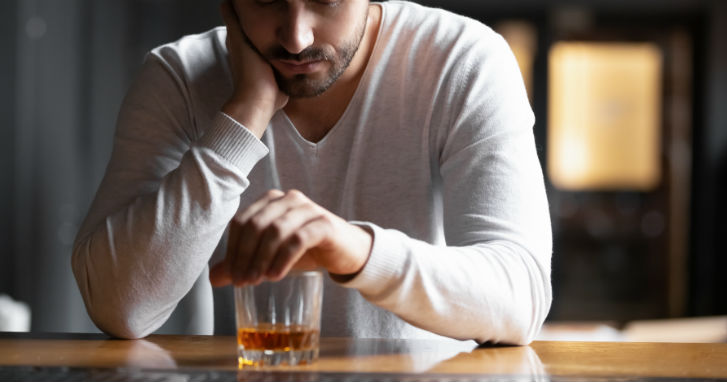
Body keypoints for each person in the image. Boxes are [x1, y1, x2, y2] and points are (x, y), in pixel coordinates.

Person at [72, 0, 552, 345]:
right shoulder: (180, 77)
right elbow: (121, 308)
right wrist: (242, 117)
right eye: (265, 0)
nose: (295, 37)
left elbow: (521, 295)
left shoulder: (462, 60)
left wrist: (354, 251)